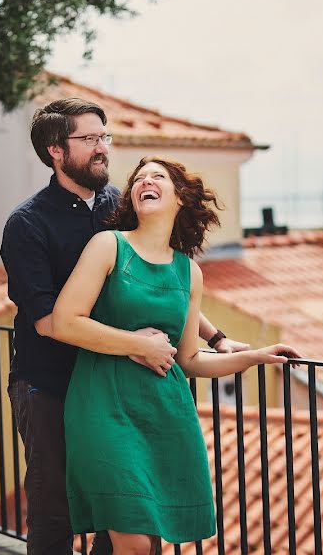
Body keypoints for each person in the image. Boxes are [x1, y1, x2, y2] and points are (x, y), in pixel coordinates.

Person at [0, 98, 249, 555]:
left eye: (104, 136)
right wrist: (135, 344)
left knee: (128, 517)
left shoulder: (119, 201)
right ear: (56, 150)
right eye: (90, 139)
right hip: (50, 385)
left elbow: (152, 279)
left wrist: (215, 337)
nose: (103, 148)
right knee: (57, 514)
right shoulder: (27, 225)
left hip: (117, 389)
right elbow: (51, 323)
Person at [52, 156, 300, 555]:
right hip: (103, 406)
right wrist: (139, 344)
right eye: (139, 178)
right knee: (132, 541)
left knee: (149, 543)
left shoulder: (189, 272)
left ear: (180, 197)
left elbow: (189, 360)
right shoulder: (108, 246)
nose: (145, 181)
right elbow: (66, 322)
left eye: (158, 177)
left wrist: (255, 357)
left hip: (164, 414)